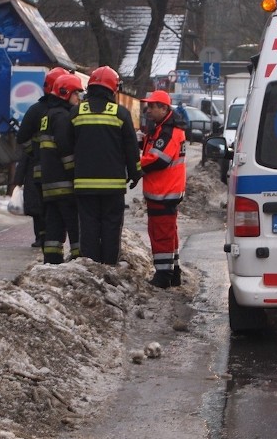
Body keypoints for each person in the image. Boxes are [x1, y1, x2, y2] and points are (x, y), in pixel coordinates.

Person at [70, 65, 142, 264]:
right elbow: (131, 149)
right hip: (113, 186)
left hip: (84, 185)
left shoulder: (76, 113)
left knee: (88, 226)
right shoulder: (120, 114)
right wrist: (136, 174)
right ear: (113, 89)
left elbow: (66, 145)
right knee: (111, 226)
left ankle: (91, 266)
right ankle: (109, 265)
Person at [16, 67, 70, 249]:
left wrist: (34, 153)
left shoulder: (35, 110)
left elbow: (21, 138)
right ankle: (52, 239)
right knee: (57, 207)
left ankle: (43, 237)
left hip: (38, 168)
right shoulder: (66, 112)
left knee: (41, 204)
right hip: (61, 171)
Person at [139, 90, 187, 288]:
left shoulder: (168, 132)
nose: (148, 110)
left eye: (152, 106)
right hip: (165, 190)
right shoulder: (162, 128)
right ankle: (173, 271)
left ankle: (163, 275)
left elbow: (159, 159)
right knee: (168, 232)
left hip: (164, 191)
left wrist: (135, 165)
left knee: (161, 234)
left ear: (164, 108)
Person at [39, 74, 84, 264]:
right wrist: (75, 174)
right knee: (73, 223)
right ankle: (78, 257)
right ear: (65, 93)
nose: (78, 99)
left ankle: (52, 257)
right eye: (76, 95)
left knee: (54, 223)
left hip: (49, 182)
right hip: (64, 182)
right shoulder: (63, 117)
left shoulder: (47, 116)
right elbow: (66, 150)